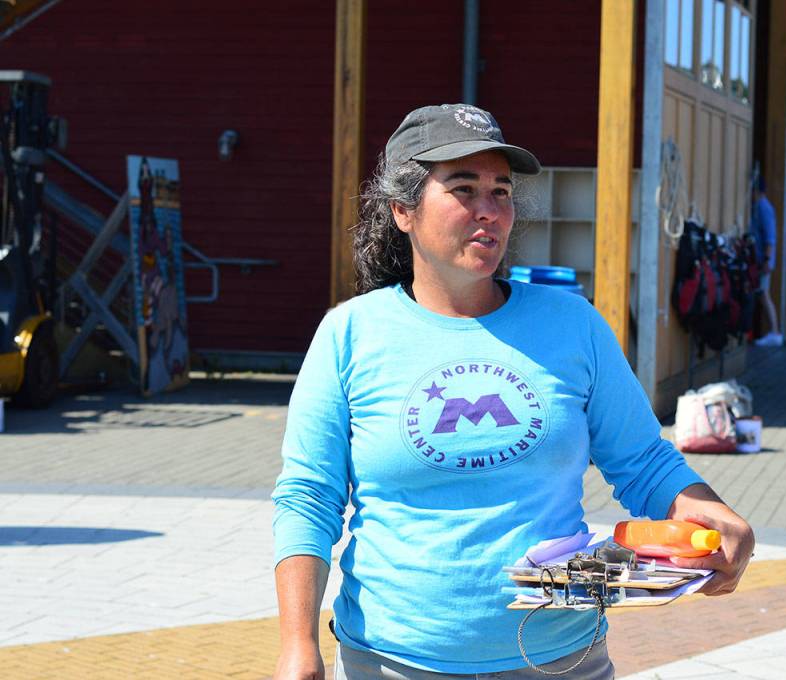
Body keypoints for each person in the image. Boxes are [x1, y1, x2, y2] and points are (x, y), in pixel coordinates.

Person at [272, 103, 755, 680]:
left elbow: (643, 462)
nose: (490, 210)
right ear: (402, 210)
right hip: (390, 660)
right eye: (463, 187)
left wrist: (705, 509)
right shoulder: (350, 333)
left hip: (560, 658)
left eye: (501, 191)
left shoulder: (572, 325)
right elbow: (309, 496)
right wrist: (297, 643)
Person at [750, 176, 782, 347]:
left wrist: (767, 260)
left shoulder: (763, 208)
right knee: (761, 293)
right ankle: (772, 332)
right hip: (761, 259)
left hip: (764, 260)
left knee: (763, 294)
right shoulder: (759, 207)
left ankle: (775, 331)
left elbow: (770, 238)